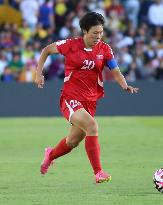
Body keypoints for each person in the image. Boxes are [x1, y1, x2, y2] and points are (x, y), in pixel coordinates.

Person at [35, 12, 139, 183]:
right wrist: (38, 74)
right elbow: (46, 50)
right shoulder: (70, 45)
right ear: (84, 31)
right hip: (70, 98)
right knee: (92, 126)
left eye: (101, 32)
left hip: (90, 101)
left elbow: (115, 70)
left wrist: (124, 85)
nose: (98, 36)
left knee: (73, 142)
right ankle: (98, 173)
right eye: (94, 33)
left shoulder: (105, 49)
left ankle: (50, 155)